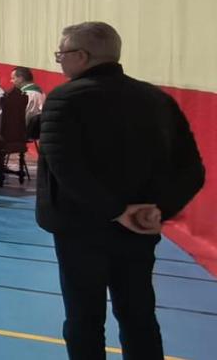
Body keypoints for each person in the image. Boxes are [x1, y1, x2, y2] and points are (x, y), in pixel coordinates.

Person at [38, 22, 203, 359]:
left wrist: (115, 211)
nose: (59, 61)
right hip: (141, 227)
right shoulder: (157, 98)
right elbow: (192, 170)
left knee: (84, 318)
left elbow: (66, 169)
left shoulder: (64, 98)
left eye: (61, 54)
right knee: (138, 314)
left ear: (81, 56)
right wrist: (158, 209)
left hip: (79, 230)